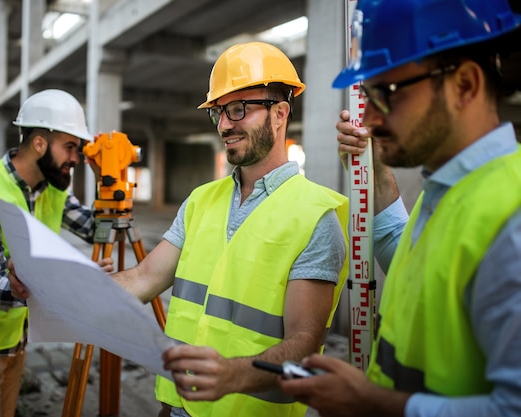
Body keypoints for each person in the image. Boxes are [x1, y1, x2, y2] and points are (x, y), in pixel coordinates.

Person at [277, 1, 521, 416]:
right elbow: (411, 266)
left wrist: (369, 401)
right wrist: (377, 174)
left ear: (464, 85)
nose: (368, 118)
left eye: (386, 93)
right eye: (367, 95)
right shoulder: (451, 191)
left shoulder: (510, 219)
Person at [112, 41, 349, 417]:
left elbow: (304, 342)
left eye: (238, 109)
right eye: (219, 113)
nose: (224, 125)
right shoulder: (201, 200)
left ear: (279, 114)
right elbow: (143, 278)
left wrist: (233, 375)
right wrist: (62, 285)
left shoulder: (315, 217)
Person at [0, 89, 112, 417]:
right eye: (70, 147)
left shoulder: (51, 190)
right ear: (40, 143)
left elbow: (97, 229)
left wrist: (108, 185)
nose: (76, 158)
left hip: (13, 342)